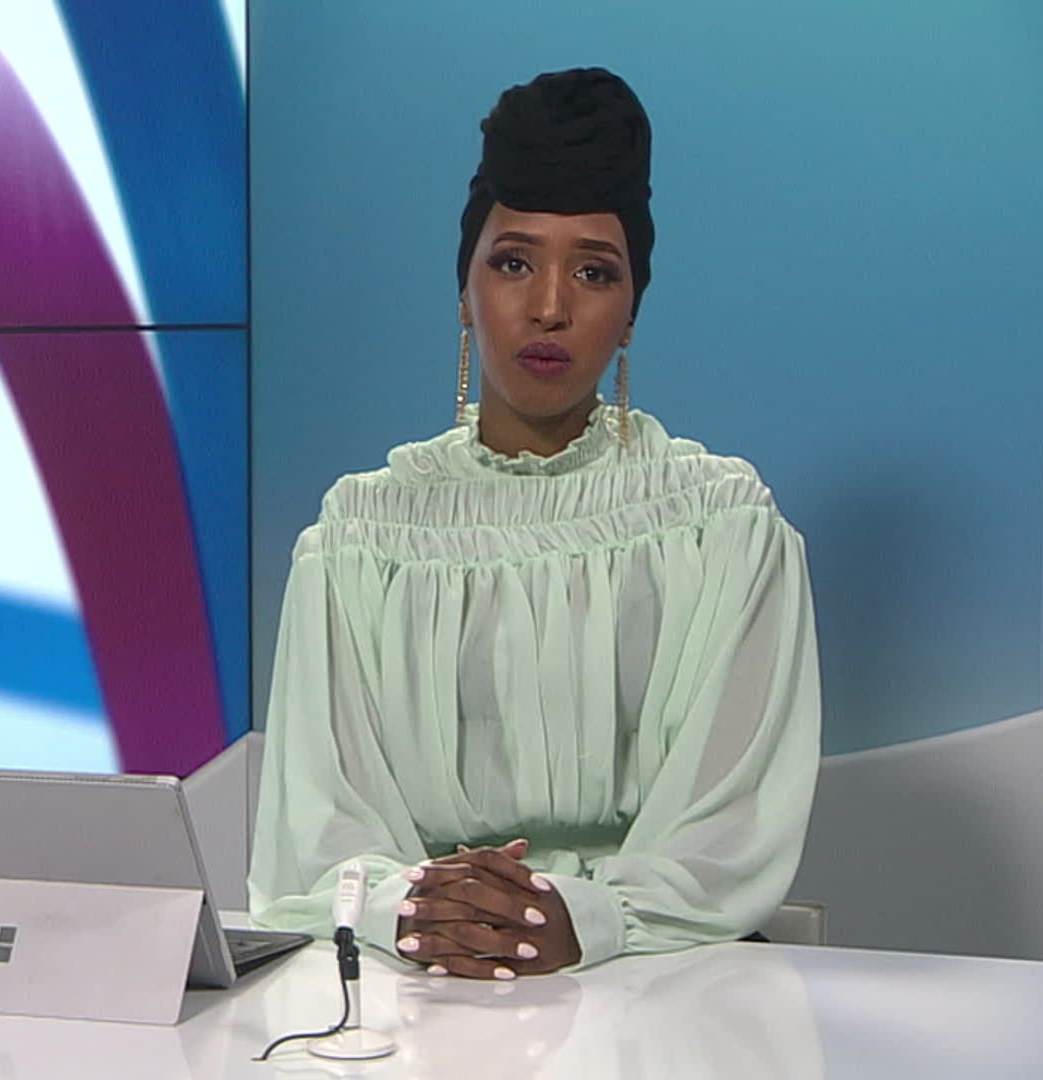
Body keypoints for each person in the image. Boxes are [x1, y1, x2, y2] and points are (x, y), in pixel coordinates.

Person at [247, 68, 821, 979]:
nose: (550, 305)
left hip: (663, 985)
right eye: (513, 262)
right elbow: (319, 828)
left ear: (630, 312)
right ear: (463, 291)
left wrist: (581, 918)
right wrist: (420, 908)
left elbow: (727, 827)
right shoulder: (361, 535)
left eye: (594, 271)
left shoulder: (723, 526)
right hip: (418, 980)